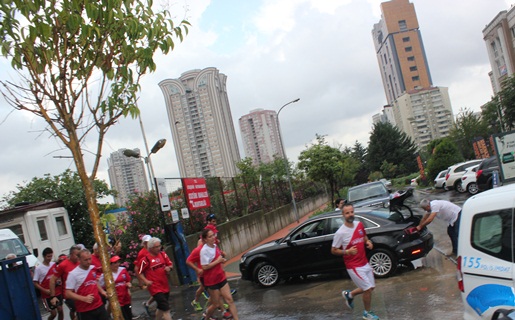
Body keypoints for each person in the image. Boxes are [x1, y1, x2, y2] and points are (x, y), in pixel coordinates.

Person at [331, 203, 379, 320]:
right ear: (343, 215)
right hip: (353, 266)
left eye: (352, 212)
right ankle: (367, 313)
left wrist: (368, 242)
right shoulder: (340, 233)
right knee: (367, 289)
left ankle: (350, 294)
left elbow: (364, 237)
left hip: (364, 263)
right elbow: (333, 250)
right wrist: (347, 252)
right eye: (347, 213)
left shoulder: (359, 225)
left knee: (371, 287)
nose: (350, 214)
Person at [200, 229, 239, 320]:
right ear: (205, 239)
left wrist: (222, 260)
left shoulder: (215, 246)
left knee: (230, 300)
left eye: (213, 235)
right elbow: (204, 267)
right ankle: (206, 317)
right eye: (210, 236)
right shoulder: (204, 251)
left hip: (221, 277)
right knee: (215, 304)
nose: (213, 237)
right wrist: (218, 261)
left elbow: (219, 258)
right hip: (212, 281)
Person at [65, 249, 109, 320]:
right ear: (79, 260)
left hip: (99, 305)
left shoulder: (93, 269)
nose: (88, 262)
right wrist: (84, 298)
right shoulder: (73, 274)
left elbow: (94, 281)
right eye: (85, 260)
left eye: (89, 259)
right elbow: (68, 293)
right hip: (85, 310)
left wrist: (102, 291)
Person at [137, 237, 173, 320]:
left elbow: (170, 264)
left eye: (159, 246)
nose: (158, 248)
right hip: (155, 287)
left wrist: (169, 268)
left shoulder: (163, 254)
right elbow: (139, 272)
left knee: (161, 307)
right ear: (150, 248)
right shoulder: (145, 259)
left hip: (164, 284)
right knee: (166, 309)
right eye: (156, 247)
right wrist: (146, 281)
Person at [50, 245, 81, 320]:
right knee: (79, 311)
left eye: (79, 255)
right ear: (71, 254)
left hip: (80, 292)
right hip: (68, 294)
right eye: (77, 255)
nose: (78, 257)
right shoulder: (63, 265)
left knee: (81, 312)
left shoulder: (80, 263)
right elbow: (52, 280)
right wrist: (53, 296)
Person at [33, 247, 64, 320]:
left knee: (60, 310)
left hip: (57, 292)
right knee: (53, 313)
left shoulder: (53, 265)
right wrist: (44, 290)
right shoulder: (39, 268)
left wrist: (59, 281)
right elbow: (35, 283)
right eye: (48, 256)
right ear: (44, 256)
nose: (50, 258)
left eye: (51, 256)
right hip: (46, 295)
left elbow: (58, 275)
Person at [99, 255, 133, 320]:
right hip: (117, 299)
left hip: (126, 297)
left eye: (118, 262)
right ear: (110, 265)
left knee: (129, 315)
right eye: (115, 263)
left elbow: (128, 280)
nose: (117, 264)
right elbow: (100, 285)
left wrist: (128, 285)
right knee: (122, 316)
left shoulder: (123, 270)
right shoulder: (106, 274)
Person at [136, 235, 155, 316]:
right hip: (149, 275)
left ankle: (147, 304)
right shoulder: (142, 253)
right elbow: (137, 268)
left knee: (160, 292)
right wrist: (142, 281)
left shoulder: (153, 250)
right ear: (144, 243)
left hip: (156, 274)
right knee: (157, 292)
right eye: (147, 242)